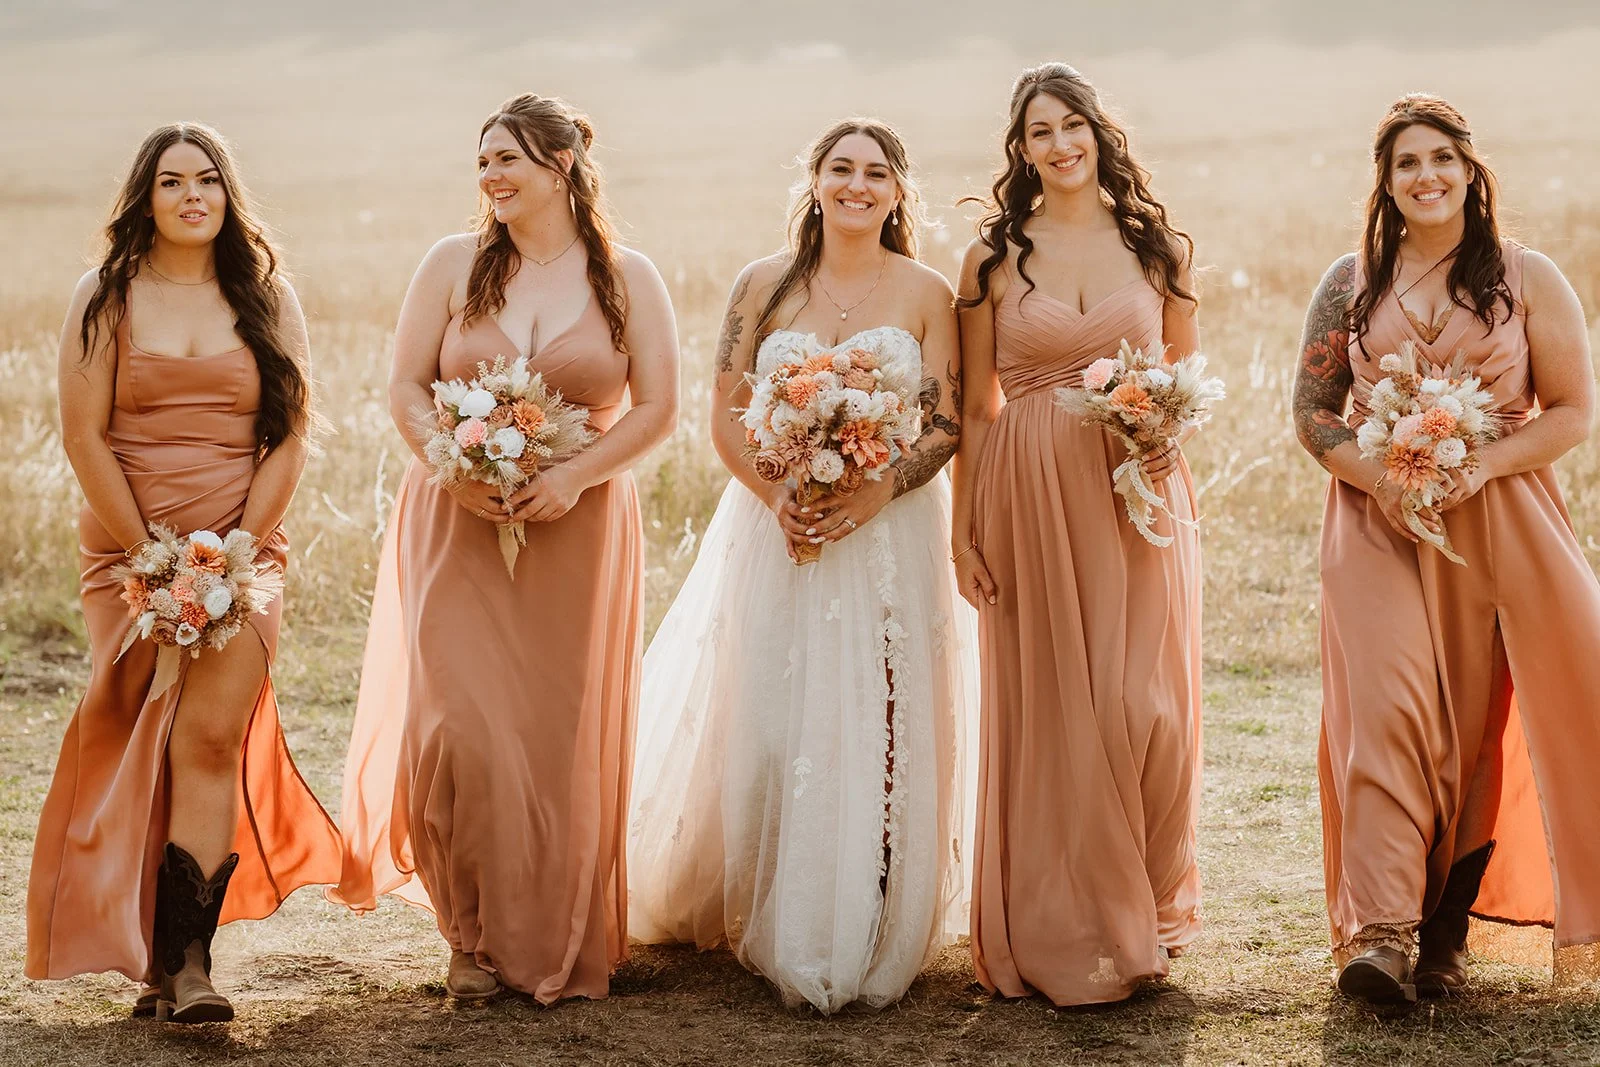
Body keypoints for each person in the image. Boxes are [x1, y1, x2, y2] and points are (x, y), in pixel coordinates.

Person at [331, 94, 680, 1003]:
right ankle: (470, 933)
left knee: (557, 735)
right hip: (456, 518)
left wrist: (575, 475)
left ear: (561, 165)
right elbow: (407, 384)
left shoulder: (627, 276)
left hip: (583, 521)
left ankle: (553, 929)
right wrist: (449, 459)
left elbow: (656, 408)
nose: (489, 175)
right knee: (460, 727)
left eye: (507, 159)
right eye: (482, 159)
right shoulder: (453, 265)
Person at [627, 117, 975, 1013]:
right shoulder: (763, 284)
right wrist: (779, 492)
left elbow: (944, 421)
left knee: (885, 705)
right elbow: (723, 412)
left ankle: (870, 901)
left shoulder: (930, 291)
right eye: (840, 169)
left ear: (899, 193)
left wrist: (874, 491)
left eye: (875, 173)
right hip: (776, 524)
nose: (856, 185)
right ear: (814, 181)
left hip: (887, 529)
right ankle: (773, 889)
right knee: (773, 706)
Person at [27, 122, 340, 1023]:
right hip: (127, 549)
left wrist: (235, 552)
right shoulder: (106, 296)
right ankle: (156, 962)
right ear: (147, 198)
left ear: (228, 196)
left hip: (245, 553)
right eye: (172, 183)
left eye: (208, 180)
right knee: (137, 732)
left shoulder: (267, 297)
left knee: (206, 739)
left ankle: (191, 966)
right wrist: (154, 559)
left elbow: (291, 435)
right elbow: (83, 435)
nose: (193, 196)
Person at [1293, 92, 1600, 1002]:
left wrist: (1480, 465)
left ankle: (1446, 937)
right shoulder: (1350, 282)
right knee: (1388, 706)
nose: (1426, 176)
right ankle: (1381, 932)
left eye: (1441, 159)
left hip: (1498, 515)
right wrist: (1386, 478)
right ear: (1385, 184)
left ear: (1470, 170)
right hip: (1374, 518)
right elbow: (1311, 415)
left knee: (1474, 721)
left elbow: (1575, 412)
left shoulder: (1527, 277)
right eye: (1405, 164)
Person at [953, 62, 1204, 1006]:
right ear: (1019, 150)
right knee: (1061, 705)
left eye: (1072, 127)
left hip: (1136, 489)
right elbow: (975, 408)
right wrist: (963, 530)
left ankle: (1144, 895)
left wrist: (1156, 432)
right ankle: (1074, 924)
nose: (1058, 146)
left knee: (1148, 707)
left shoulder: (1157, 247)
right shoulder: (990, 259)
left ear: (1099, 134)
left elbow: (1184, 381)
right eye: (1038, 133)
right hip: (1028, 490)